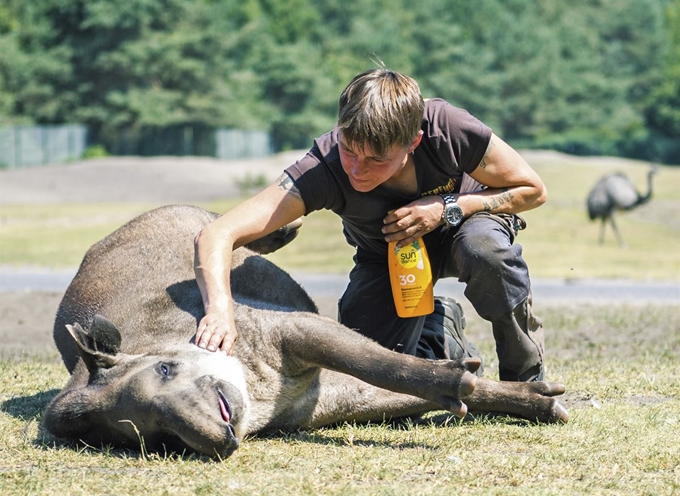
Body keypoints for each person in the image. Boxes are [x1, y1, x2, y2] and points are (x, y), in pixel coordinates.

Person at [193, 68, 547, 382]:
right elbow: (218, 233)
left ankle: (525, 377)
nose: (357, 170)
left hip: (466, 228)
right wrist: (219, 311)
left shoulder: (447, 129)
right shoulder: (324, 169)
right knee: (369, 378)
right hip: (386, 259)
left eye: (377, 159)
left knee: (485, 249)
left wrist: (449, 206)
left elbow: (532, 190)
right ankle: (439, 332)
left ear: (413, 142)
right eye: (350, 150)